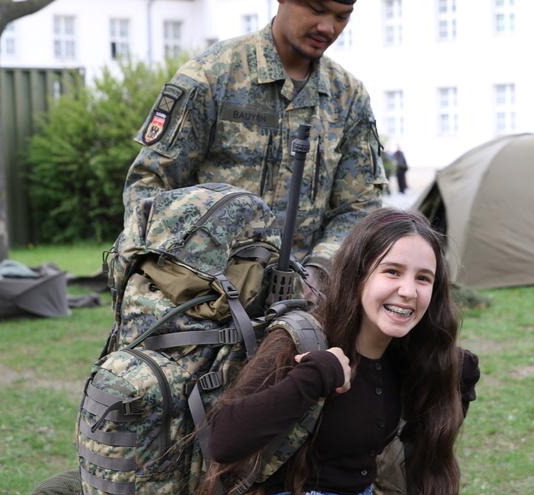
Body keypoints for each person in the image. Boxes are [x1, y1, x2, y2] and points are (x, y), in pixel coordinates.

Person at [199, 207, 492, 495]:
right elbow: (222, 443)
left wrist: (451, 385)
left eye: (423, 278)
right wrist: (313, 377)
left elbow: (418, 460)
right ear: (358, 273)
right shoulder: (301, 339)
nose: (408, 291)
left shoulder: (403, 356)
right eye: (392, 271)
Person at [123, 0, 387, 297]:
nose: (327, 27)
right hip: (205, 299)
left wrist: (320, 270)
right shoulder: (211, 75)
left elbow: (359, 207)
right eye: (316, 9)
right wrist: (195, 269)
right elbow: (148, 187)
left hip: (305, 306)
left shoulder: (349, 97)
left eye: (342, 16)